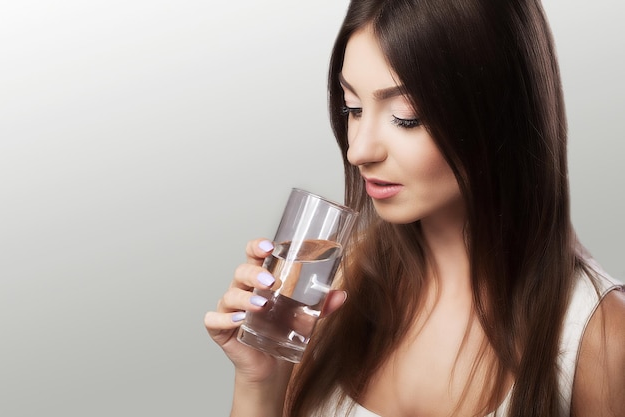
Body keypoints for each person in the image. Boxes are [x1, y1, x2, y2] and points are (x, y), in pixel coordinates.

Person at [205, 0, 625, 415]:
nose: (358, 150)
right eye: (352, 108)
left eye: (406, 117)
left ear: (498, 111)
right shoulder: (332, 288)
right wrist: (261, 382)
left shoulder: (601, 337)